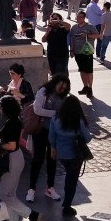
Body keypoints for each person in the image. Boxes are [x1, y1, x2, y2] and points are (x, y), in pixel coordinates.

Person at [0, 95, 41, 221]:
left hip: (11, 159)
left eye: (1, 107)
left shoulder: (11, 123)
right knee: (10, 194)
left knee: (4, 194)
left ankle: (31, 214)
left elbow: (11, 146)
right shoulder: (16, 121)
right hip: (16, 158)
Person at [48, 94, 93, 216]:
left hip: (62, 154)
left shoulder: (55, 119)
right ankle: (67, 205)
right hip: (75, 154)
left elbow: (51, 137)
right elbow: (87, 138)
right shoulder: (78, 120)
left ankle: (67, 203)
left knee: (69, 176)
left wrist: (53, 149)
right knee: (71, 180)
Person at [26, 74, 69, 203]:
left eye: (64, 88)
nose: (61, 89)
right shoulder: (43, 91)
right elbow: (37, 109)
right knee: (38, 159)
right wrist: (55, 114)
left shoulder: (63, 96)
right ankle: (31, 189)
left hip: (54, 132)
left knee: (52, 159)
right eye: (60, 86)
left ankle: (50, 188)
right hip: (41, 130)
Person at [68, 11, 100, 98]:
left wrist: (87, 36)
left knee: (88, 71)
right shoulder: (74, 27)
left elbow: (97, 35)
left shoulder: (90, 26)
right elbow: (72, 39)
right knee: (82, 70)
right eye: (77, 17)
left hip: (87, 51)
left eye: (80, 17)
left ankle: (90, 88)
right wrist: (71, 50)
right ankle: (85, 86)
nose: (78, 19)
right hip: (77, 51)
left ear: (84, 18)